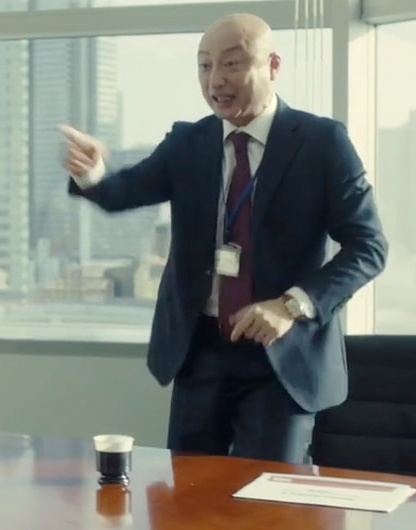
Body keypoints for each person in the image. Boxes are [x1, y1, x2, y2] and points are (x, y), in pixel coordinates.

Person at [60, 13, 387, 464]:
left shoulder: (321, 143)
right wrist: (93, 172)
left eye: (232, 63)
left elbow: (368, 247)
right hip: (200, 352)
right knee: (189, 493)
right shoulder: (188, 142)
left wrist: (290, 305)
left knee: (265, 495)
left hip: (281, 357)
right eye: (204, 65)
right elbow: (122, 192)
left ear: (272, 65)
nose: (216, 80)